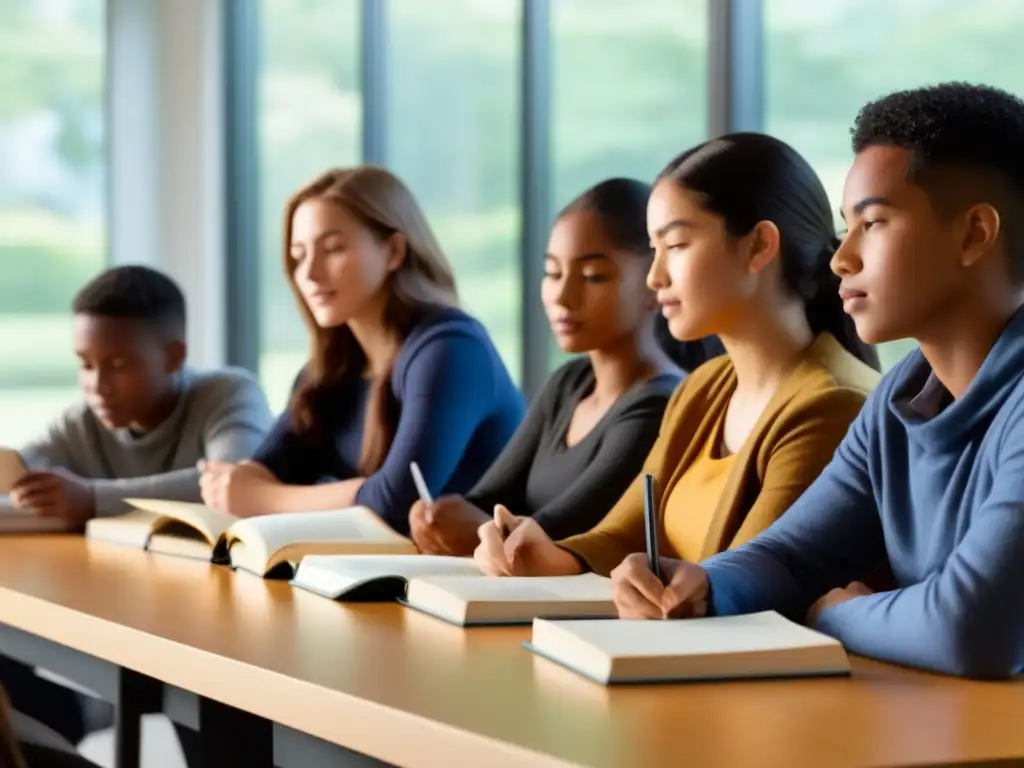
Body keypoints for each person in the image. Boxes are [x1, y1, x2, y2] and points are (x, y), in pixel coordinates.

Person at [609, 83, 1024, 679]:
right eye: (844, 226)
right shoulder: (899, 399)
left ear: (974, 234)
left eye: (873, 223)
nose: (841, 258)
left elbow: (972, 629)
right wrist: (702, 586)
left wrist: (835, 615)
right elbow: (793, 555)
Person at [474, 133, 881, 580]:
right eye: (654, 250)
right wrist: (548, 556)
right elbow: (622, 535)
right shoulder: (703, 388)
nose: (654, 277)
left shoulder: (831, 405)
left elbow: (741, 586)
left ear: (759, 246)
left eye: (677, 246)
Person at [4, 265, 272, 760]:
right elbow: (22, 471)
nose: (97, 385)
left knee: (217, 721)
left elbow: (231, 484)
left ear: (174, 356)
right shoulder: (83, 422)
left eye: (118, 364)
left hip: (229, 634)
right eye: (85, 364)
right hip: (128, 618)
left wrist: (90, 499)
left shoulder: (227, 393)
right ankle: (66, 725)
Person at [200, 166, 525, 532]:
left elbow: (398, 506)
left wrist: (263, 499)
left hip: (472, 582)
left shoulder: (451, 350)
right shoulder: (330, 368)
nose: (309, 274)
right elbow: (262, 472)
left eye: (333, 249)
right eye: (299, 254)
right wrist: (244, 487)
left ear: (394, 251)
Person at [409, 178, 723, 555]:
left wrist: (476, 530)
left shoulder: (658, 405)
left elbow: (559, 536)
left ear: (654, 283)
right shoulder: (569, 382)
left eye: (593, 277)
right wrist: (439, 517)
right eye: (553, 273)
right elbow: (488, 499)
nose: (562, 296)